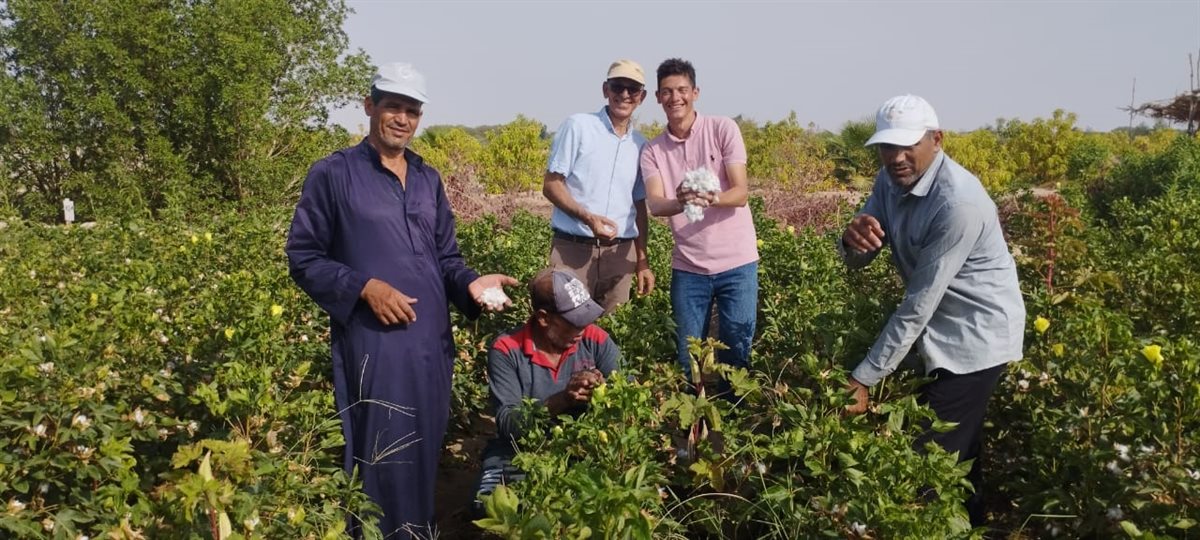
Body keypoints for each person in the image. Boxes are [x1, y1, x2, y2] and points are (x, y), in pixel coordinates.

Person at [285, 62, 518, 538]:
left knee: (423, 447)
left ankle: (418, 531)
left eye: (412, 111)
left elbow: (446, 258)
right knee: (380, 447)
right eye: (393, 107)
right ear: (370, 106)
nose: (403, 119)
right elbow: (304, 256)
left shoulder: (428, 178)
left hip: (431, 342)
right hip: (376, 342)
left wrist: (472, 285)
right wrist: (364, 287)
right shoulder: (334, 174)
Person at [839, 94, 1026, 526]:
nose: (896, 157)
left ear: (936, 140)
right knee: (959, 453)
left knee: (927, 465)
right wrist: (851, 241)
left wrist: (863, 378)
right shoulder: (888, 180)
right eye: (888, 147)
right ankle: (973, 527)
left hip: (974, 338)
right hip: (937, 333)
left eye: (908, 145)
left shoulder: (958, 204)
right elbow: (862, 254)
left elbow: (918, 306)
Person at [639, 58, 759, 382]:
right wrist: (681, 200)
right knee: (688, 357)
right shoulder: (652, 150)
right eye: (667, 92)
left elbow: (741, 193)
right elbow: (656, 204)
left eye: (682, 90)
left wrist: (710, 197)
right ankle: (692, 411)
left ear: (695, 92)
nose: (675, 97)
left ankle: (733, 411)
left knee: (737, 352)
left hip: (737, 264)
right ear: (658, 97)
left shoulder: (723, 128)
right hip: (689, 267)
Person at [473, 267, 621, 512]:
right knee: (491, 506)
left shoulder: (595, 338)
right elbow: (508, 425)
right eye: (574, 321)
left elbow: (627, 392)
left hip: (582, 445)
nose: (583, 328)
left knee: (595, 503)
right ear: (543, 318)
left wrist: (605, 390)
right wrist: (563, 400)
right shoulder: (507, 349)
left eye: (586, 317)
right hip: (521, 449)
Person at [543, 59, 655, 313]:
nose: (624, 94)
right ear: (606, 90)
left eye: (632, 89)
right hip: (573, 249)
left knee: (613, 330)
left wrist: (642, 261)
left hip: (620, 255)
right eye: (617, 87)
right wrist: (588, 218)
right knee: (566, 325)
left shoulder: (641, 145)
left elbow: (639, 205)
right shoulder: (578, 126)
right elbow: (551, 185)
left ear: (642, 97)